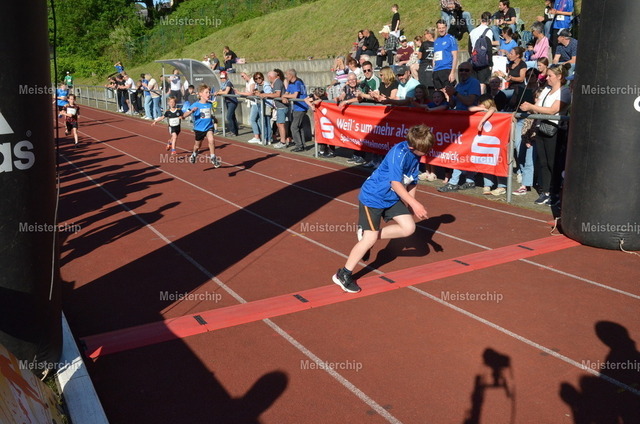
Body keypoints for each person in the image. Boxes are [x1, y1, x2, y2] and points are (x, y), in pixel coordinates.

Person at [332, 124, 435, 293]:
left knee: (409, 228)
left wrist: (411, 205)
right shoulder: (398, 153)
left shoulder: (416, 155)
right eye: (424, 150)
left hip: (392, 197)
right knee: (369, 239)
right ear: (412, 147)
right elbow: (395, 183)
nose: (427, 152)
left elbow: (412, 181)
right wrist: (415, 204)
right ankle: (343, 274)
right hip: (373, 197)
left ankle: (366, 235)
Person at [519, 64, 571, 205]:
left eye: (550, 75)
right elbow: (538, 108)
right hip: (541, 128)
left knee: (553, 163)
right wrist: (529, 107)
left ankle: (555, 192)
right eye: (547, 75)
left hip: (555, 130)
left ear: (559, 76)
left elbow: (552, 110)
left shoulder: (564, 91)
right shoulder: (546, 90)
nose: (547, 78)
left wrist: (531, 106)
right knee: (543, 162)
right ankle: (546, 192)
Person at [439, 63, 481, 192]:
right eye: (461, 70)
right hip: (459, 121)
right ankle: (470, 180)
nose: (463, 72)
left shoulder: (474, 83)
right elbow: (452, 104)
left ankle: (454, 181)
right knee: (463, 151)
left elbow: (469, 101)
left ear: (471, 71)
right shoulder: (458, 85)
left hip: (470, 121)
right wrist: (449, 95)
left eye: (466, 70)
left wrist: (455, 93)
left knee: (461, 151)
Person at [468, 96, 506, 195]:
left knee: (498, 163)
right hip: (486, 142)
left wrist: (481, 122)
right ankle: (487, 184)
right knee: (486, 163)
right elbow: (470, 109)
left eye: (480, 103)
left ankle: (501, 186)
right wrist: (481, 108)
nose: (479, 105)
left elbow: (492, 109)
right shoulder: (482, 110)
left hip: (496, 142)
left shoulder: (493, 109)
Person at [182, 84, 222, 168]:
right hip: (199, 129)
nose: (208, 94)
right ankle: (194, 154)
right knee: (197, 146)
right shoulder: (195, 105)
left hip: (209, 127)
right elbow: (184, 115)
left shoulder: (209, 104)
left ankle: (213, 157)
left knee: (211, 140)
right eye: (206, 92)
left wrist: (213, 118)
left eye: (209, 92)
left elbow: (210, 113)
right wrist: (191, 111)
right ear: (200, 94)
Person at [259, 71, 287, 148]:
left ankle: (283, 142)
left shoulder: (277, 82)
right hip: (279, 106)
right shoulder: (277, 82)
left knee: (280, 124)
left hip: (281, 106)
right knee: (279, 124)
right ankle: (283, 141)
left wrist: (265, 94)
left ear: (270, 77)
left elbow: (277, 94)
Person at [283, 69, 308, 152]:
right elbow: (287, 93)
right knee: (299, 127)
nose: (286, 77)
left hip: (301, 107)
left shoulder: (298, 82)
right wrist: (284, 96)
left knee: (294, 127)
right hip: (296, 107)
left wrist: (285, 96)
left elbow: (295, 95)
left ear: (291, 75)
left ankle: (299, 145)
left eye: (287, 75)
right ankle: (302, 145)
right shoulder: (291, 83)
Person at [468, 12, 495, 88]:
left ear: (481, 19)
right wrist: (490, 63)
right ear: (490, 20)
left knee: (475, 84)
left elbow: (469, 48)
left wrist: (473, 58)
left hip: (474, 61)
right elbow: (489, 48)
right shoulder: (488, 31)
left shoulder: (473, 31)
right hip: (484, 63)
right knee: (482, 83)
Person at [432, 20, 458, 90]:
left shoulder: (450, 39)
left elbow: (455, 56)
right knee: (438, 93)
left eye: (443, 28)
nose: (441, 30)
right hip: (437, 70)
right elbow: (435, 56)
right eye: (439, 28)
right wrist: (433, 69)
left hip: (446, 69)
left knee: (447, 92)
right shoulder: (436, 40)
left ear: (446, 27)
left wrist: (453, 72)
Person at [213, 71, 238, 136]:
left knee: (228, 116)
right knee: (232, 116)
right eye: (221, 78)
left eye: (223, 78)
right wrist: (217, 92)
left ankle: (233, 131)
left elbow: (226, 92)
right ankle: (235, 131)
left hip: (232, 101)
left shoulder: (228, 83)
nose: (222, 79)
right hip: (228, 102)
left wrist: (218, 93)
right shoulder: (223, 84)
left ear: (226, 77)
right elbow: (221, 90)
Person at [237, 71, 259, 143]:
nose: (242, 78)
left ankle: (257, 136)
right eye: (241, 76)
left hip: (255, 103)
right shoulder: (247, 82)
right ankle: (258, 136)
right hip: (252, 102)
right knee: (256, 120)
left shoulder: (252, 82)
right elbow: (247, 92)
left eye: (243, 76)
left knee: (252, 119)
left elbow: (251, 93)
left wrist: (239, 92)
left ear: (247, 74)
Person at [253, 72, 273, 144]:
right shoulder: (256, 85)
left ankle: (268, 138)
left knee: (266, 122)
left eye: (259, 78)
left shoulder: (266, 85)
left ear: (262, 77)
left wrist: (260, 94)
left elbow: (268, 95)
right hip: (259, 104)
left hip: (266, 104)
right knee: (263, 122)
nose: (258, 79)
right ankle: (266, 138)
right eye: (256, 78)